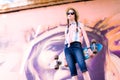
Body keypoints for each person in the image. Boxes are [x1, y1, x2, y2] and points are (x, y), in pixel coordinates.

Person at [64, 7, 93, 80]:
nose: (70, 14)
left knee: (83, 67)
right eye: (68, 13)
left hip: (76, 46)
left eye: (72, 13)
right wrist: (65, 58)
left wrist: (89, 48)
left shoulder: (79, 24)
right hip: (67, 49)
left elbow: (85, 36)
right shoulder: (66, 27)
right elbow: (65, 41)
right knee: (72, 71)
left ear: (75, 15)